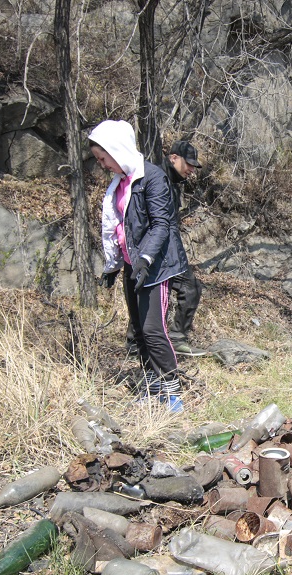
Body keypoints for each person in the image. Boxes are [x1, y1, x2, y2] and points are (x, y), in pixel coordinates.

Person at [89, 120, 189, 412]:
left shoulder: (152, 177)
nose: (102, 164)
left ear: (116, 150)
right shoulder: (120, 183)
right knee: (138, 330)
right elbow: (119, 228)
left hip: (155, 266)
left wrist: (145, 260)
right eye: (98, 160)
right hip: (134, 265)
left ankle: (173, 393)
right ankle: (152, 388)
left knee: (153, 329)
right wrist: (112, 267)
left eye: (103, 158)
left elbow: (162, 225)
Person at [164, 140, 206, 356]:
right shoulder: (159, 179)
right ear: (173, 158)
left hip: (166, 250)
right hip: (161, 252)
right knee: (188, 288)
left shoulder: (171, 182)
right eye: (188, 163)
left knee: (190, 288)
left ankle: (140, 343)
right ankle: (175, 338)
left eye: (194, 165)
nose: (191, 169)